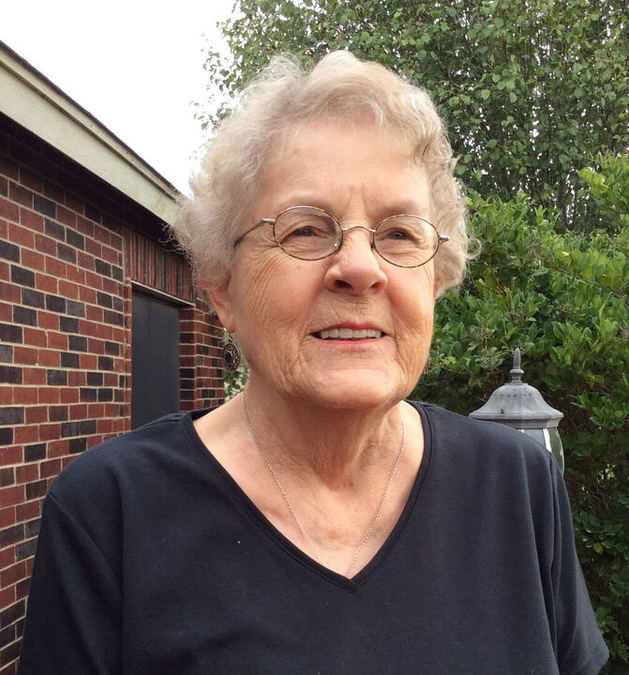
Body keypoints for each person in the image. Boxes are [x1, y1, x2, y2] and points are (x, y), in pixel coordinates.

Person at [19, 51, 607, 674]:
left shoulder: (518, 486)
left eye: (399, 233)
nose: (359, 267)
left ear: (435, 281)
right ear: (221, 287)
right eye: (304, 229)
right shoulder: (110, 512)